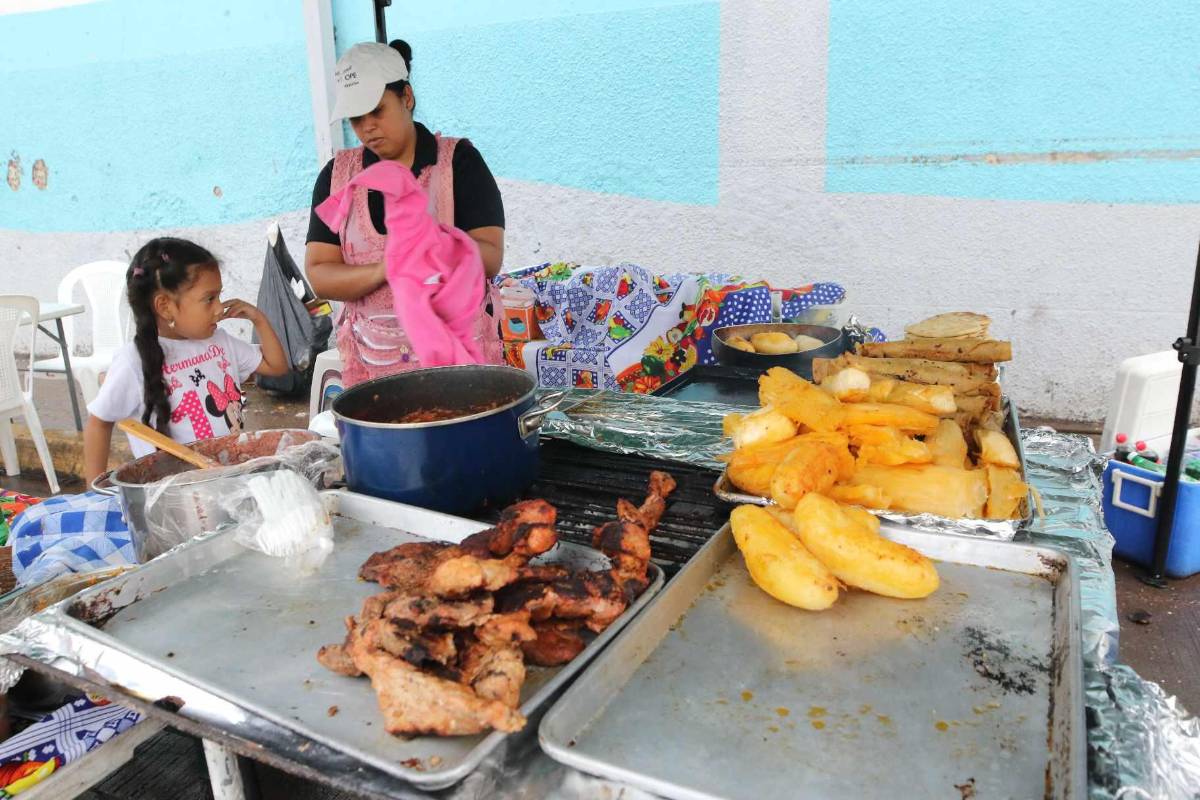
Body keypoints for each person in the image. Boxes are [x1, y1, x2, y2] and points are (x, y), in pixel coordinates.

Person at [305, 39, 505, 387]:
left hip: (461, 369)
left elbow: (490, 256)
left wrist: (435, 247)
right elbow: (320, 273)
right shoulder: (337, 178)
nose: (367, 127)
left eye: (377, 111)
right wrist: (389, 267)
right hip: (375, 375)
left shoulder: (458, 164)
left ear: (406, 98)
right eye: (357, 118)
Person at [82, 237, 290, 483]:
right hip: (173, 498)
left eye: (219, 296)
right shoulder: (133, 361)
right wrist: (93, 492)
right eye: (209, 298)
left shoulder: (219, 342)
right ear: (165, 307)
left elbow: (277, 367)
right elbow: (99, 423)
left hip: (227, 479)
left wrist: (259, 319)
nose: (219, 308)